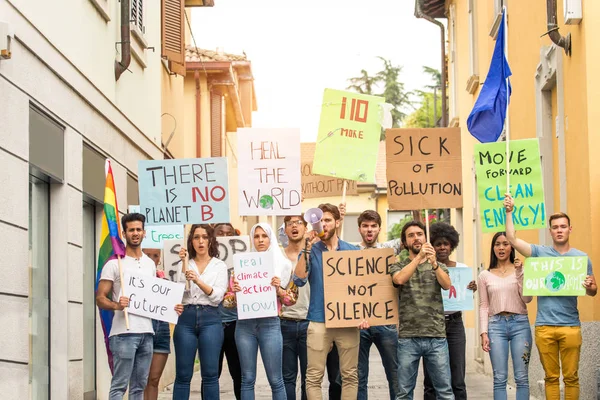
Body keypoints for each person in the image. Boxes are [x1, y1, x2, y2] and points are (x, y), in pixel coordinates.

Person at [504, 194, 597, 399]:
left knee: (572, 378)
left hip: (571, 325)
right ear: (550, 231)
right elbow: (512, 239)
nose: (559, 230)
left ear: (569, 229)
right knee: (551, 378)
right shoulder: (539, 253)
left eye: (563, 226)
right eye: (555, 227)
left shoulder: (581, 258)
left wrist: (591, 286)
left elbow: (592, 291)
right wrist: (509, 212)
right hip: (544, 326)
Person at [96, 213, 175, 400]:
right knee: (119, 386)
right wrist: (117, 304)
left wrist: (172, 307)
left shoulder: (149, 264)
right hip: (123, 333)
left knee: (139, 387)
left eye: (138, 229)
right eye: (131, 230)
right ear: (124, 233)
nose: (135, 233)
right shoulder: (115, 264)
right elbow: (100, 298)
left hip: (147, 333)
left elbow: (154, 298)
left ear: (144, 233)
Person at [294, 203, 367, 399]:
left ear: (337, 221)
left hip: (348, 321)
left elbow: (363, 289)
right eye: (319, 221)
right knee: (313, 376)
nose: (323, 224)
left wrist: (363, 314)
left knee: (350, 375)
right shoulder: (311, 250)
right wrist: (306, 248)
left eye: (327, 220)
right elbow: (298, 280)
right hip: (319, 321)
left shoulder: (353, 251)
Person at [389, 220, 454, 399]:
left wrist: (433, 263)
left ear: (426, 238)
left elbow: (447, 285)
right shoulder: (398, 265)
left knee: (445, 391)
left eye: (419, 234)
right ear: (405, 242)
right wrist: (418, 258)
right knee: (404, 392)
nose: (416, 238)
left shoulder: (439, 265)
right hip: (408, 338)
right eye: (411, 235)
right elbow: (399, 280)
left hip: (436, 337)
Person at [232, 223, 296, 400]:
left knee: (276, 379)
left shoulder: (283, 264)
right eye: (256, 236)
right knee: (247, 379)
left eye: (264, 236)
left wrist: (279, 289)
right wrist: (236, 290)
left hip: (270, 323)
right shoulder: (242, 264)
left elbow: (290, 299)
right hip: (245, 324)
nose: (260, 240)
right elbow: (230, 301)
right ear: (252, 239)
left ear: (271, 238)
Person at [423, 222, 477, 400]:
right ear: (432, 246)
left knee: (457, 376)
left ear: (452, 245)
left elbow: (463, 297)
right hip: (431, 325)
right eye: (438, 244)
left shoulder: (461, 269)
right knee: (430, 378)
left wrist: (470, 290)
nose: (442, 247)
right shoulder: (425, 268)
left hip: (455, 324)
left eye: (446, 243)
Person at [174, 224, 228, 399]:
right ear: (191, 241)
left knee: (210, 374)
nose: (201, 241)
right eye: (196, 237)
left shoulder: (219, 266)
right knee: (183, 374)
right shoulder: (184, 263)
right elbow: (178, 292)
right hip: (186, 318)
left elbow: (218, 296)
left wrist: (197, 280)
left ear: (211, 240)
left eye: (205, 237)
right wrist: (182, 266)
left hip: (210, 319)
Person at [478, 231, 532, 400]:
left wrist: (520, 273)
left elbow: (527, 299)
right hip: (496, 326)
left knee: (521, 378)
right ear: (493, 248)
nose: (501, 248)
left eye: (505, 244)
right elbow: (483, 306)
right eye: (497, 244)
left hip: (520, 324)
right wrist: (483, 332)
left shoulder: (520, 270)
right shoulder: (484, 276)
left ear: (512, 247)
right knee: (499, 378)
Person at [354, 210, 399, 400]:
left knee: (395, 374)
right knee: (359, 376)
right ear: (359, 229)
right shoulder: (351, 249)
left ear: (380, 228)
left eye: (373, 226)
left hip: (385, 322)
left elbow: (413, 234)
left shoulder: (388, 248)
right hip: (359, 323)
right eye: (365, 226)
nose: (369, 230)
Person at [201, 223, 243, 400]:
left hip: (235, 325)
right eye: (221, 233)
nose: (225, 237)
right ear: (213, 237)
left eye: (229, 234)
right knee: (210, 374)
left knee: (239, 373)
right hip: (211, 324)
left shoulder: (242, 260)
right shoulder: (204, 262)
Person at [280, 215, 310, 400]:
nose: (294, 226)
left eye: (299, 223)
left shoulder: (313, 253)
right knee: (287, 378)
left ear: (305, 228)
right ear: (285, 229)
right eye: (290, 223)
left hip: (309, 323)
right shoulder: (277, 256)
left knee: (310, 378)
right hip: (283, 323)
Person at [142, 248, 172, 400]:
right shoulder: (134, 277)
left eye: (155, 255)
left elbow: (172, 305)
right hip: (141, 329)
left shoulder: (166, 280)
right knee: (140, 380)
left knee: (154, 380)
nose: (152, 259)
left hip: (162, 329)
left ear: (159, 258)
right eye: (147, 255)